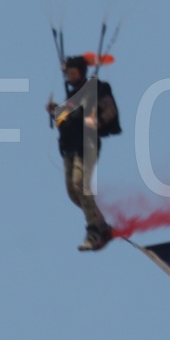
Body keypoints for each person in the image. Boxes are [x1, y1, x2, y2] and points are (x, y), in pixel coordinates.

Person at [47, 56, 121, 251]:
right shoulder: (72, 99)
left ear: (81, 72)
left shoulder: (96, 89)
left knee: (80, 185)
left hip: (86, 144)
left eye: (73, 73)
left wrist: (94, 122)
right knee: (73, 193)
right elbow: (65, 119)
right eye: (68, 73)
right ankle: (103, 225)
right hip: (69, 147)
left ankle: (94, 230)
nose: (70, 77)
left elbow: (110, 110)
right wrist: (54, 111)